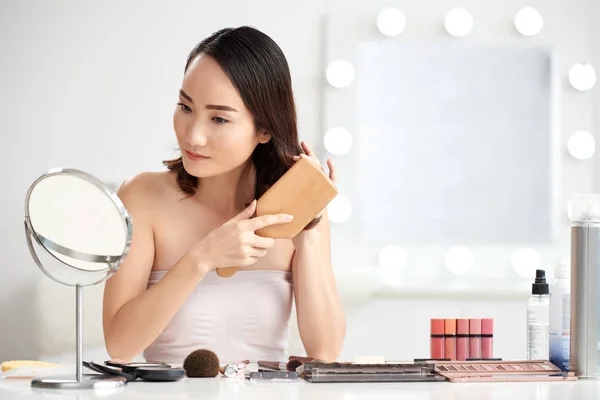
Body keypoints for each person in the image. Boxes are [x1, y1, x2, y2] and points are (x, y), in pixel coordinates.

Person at [102, 26, 346, 364]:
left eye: (218, 118)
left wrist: (308, 235)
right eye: (185, 107)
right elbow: (120, 346)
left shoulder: (296, 212)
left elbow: (326, 351)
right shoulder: (141, 196)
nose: (194, 136)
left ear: (264, 129)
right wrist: (202, 257)